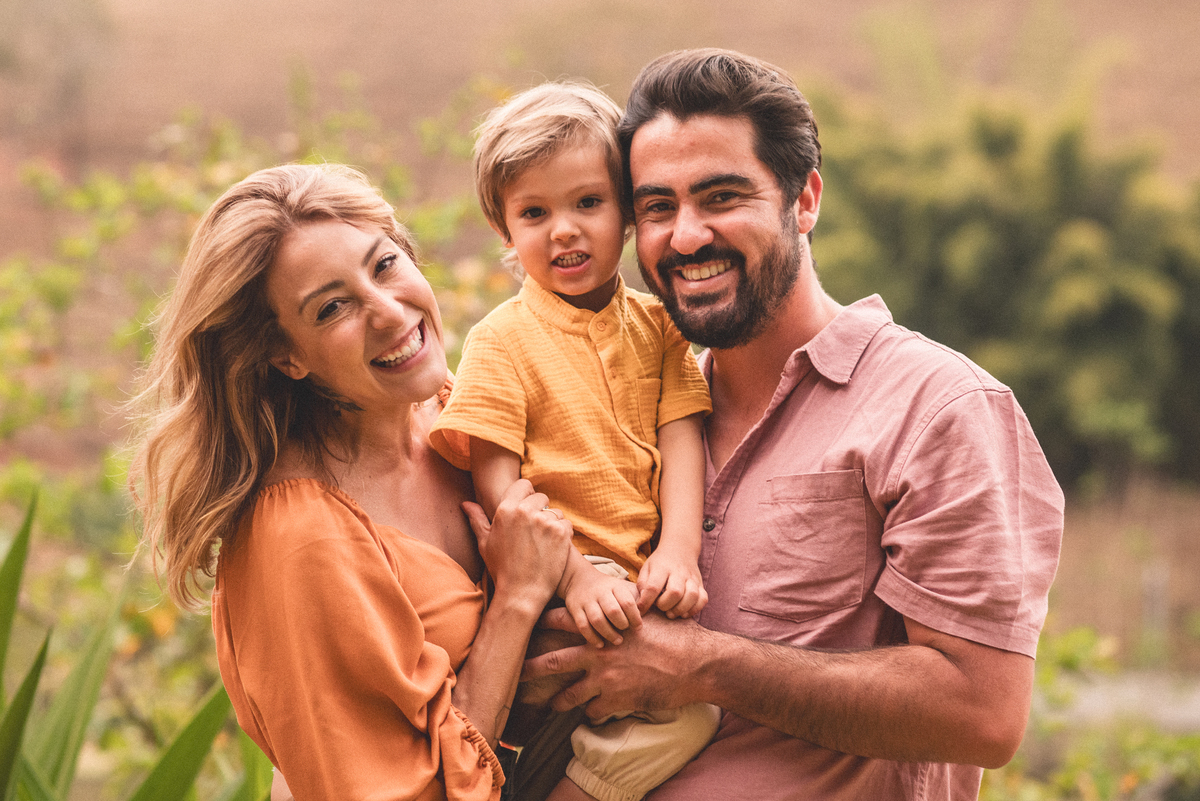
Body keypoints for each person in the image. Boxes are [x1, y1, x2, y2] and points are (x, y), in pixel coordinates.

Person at [523, 48, 1065, 800]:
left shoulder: (936, 407)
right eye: (656, 206)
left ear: (804, 199)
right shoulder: (636, 413)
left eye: (721, 197)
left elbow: (981, 711)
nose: (685, 236)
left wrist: (695, 664)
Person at [127, 163, 574, 801]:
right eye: (333, 307)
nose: (391, 313)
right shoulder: (300, 535)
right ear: (287, 356)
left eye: (385, 265)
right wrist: (518, 598)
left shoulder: (452, 413)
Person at [428, 82, 719, 801]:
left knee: (697, 709)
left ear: (626, 212)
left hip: (637, 573)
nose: (564, 230)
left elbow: (682, 438)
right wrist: (576, 576)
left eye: (588, 203)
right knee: (682, 701)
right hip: (555, 571)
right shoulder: (502, 339)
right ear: (505, 231)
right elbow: (500, 485)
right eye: (535, 212)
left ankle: (570, 781)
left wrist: (680, 551)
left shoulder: (658, 327)